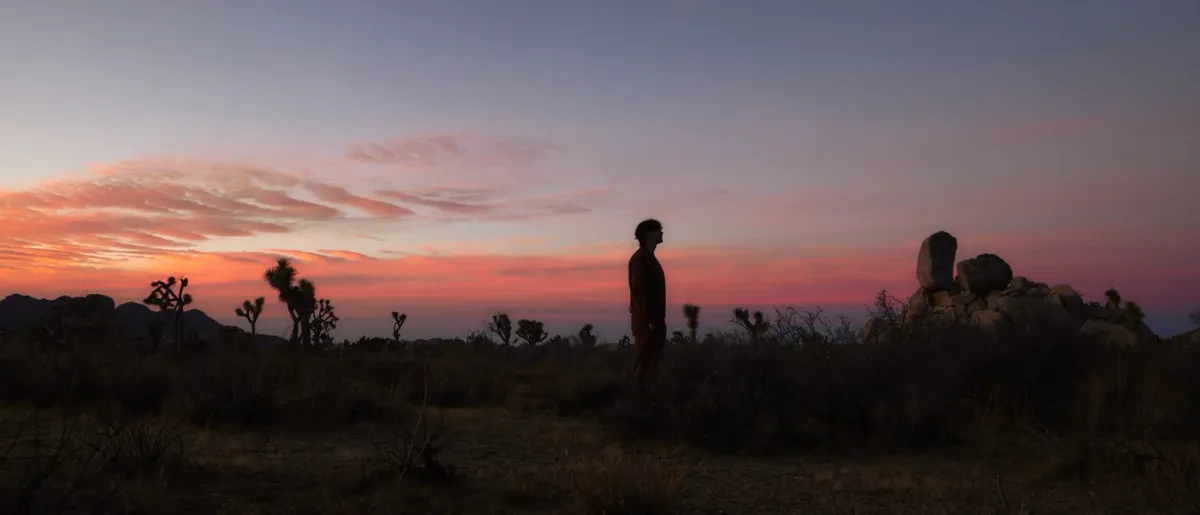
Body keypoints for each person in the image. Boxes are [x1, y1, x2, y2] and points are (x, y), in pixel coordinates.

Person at [628, 218, 667, 392]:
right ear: (648, 235)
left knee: (652, 362)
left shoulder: (648, 257)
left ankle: (649, 400)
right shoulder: (641, 259)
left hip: (653, 319)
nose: (662, 233)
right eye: (658, 230)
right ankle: (636, 401)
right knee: (645, 362)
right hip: (646, 320)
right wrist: (650, 319)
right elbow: (640, 290)